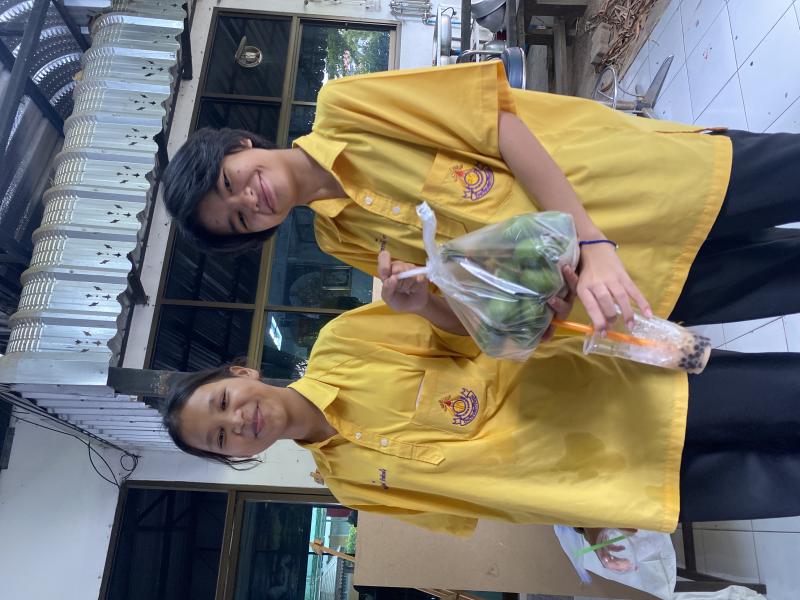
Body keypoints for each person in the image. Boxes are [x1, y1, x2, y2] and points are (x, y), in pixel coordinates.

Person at [161, 251, 800, 544]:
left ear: (242, 372)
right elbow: (480, 503)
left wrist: (426, 304)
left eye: (223, 402)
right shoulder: (350, 486)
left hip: (613, 397)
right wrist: (589, 520)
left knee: (782, 399)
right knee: (782, 483)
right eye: (221, 438)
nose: (237, 421)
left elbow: (473, 332)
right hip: (618, 485)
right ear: (236, 456)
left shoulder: (344, 342)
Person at [162, 60, 800, 336]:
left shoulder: (346, 108)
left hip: (635, 185)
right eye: (239, 219)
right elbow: (471, 296)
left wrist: (593, 241)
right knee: (782, 281)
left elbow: (496, 126)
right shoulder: (340, 239)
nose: (250, 199)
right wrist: (427, 306)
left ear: (239, 144)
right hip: (619, 284)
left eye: (230, 181)